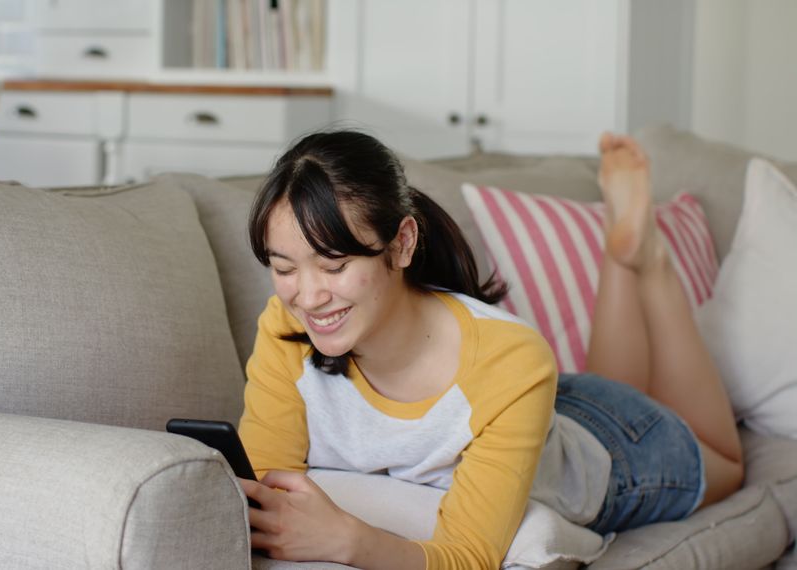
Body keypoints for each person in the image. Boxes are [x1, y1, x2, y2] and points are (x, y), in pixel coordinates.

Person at [237, 130, 745, 569]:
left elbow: (471, 557)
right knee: (603, 381)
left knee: (727, 461)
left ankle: (649, 259)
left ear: (403, 243)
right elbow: (264, 493)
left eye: (333, 265)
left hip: (613, 453)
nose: (307, 296)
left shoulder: (512, 359)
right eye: (284, 269)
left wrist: (351, 540)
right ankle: (620, 250)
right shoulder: (286, 328)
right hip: (523, 411)